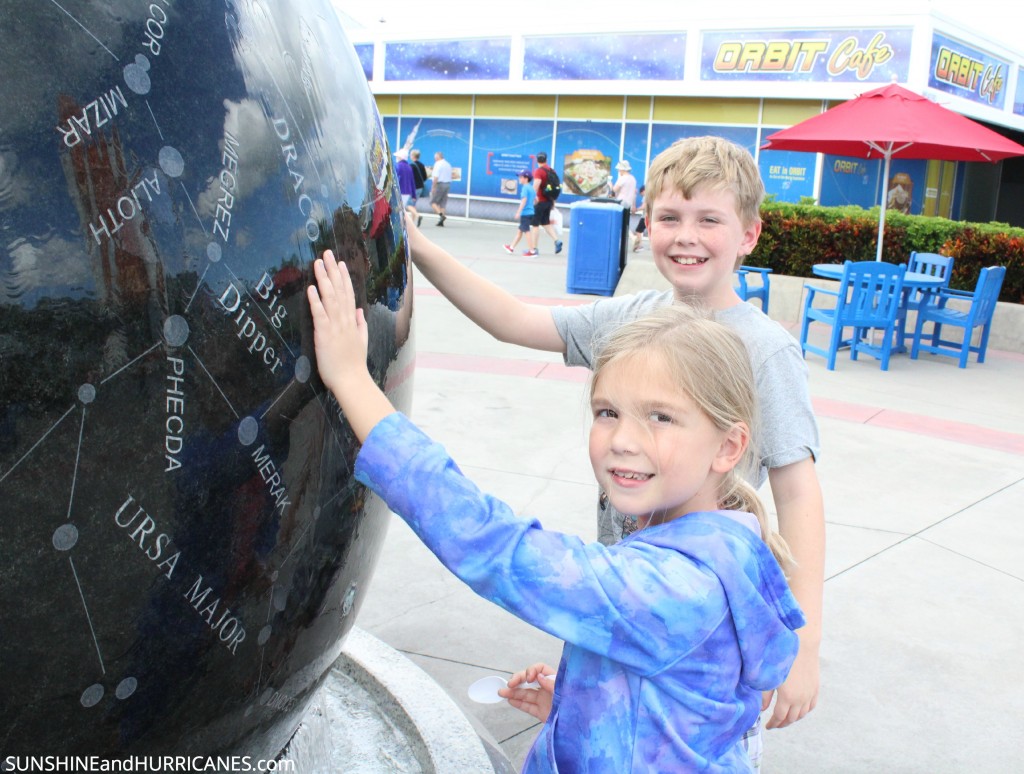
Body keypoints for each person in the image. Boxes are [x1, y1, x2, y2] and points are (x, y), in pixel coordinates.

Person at [404, 135, 824, 759]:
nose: (687, 236)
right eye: (668, 218)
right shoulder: (635, 317)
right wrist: (416, 246)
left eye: (710, 219)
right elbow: (516, 320)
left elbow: (799, 495)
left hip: (701, 637)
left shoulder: (764, 350)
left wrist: (805, 649)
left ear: (749, 235)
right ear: (644, 223)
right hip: (628, 604)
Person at [306, 258, 805, 771]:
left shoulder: (676, 587)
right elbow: (680, 717)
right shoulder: (714, 551)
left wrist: (352, 381)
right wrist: (582, 708)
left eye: (661, 417)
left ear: (728, 446)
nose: (624, 441)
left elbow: (498, 549)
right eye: (608, 412)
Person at [531, 152, 563, 254]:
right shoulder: (551, 170)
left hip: (539, 202)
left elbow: (536, 186)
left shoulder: (539, 171)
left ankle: (534, 249)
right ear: (546, 160)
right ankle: (557, 241)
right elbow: (553, 187)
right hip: (549, 201)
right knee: (545, 223)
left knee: (535, 225)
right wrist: (553, 201)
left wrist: (531, 199)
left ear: (537, 160)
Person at [504, 170, 538, 256]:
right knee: (520, 231)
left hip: (525, 213)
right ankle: (511, 247)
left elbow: (524, 200)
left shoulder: (525, 188)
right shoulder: (531, 188)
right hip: (531, 212)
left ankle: (532, 251)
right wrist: (531, 206)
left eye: (521, 177)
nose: (519, 178)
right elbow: (536, 200)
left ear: (526, 178)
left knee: (526, 231)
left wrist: (518, 212)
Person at [393, 149, 418, 223]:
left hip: (400, 190)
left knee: (397, 209)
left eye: (397, 157)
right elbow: (412, 181)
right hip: (407, 192)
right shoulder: (409, 167)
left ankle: (401, 223)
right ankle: (403, 222)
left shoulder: (398, 166)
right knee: (401, 208)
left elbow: (396, 179)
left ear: (400, 157)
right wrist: (414, 195)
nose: (397, 158)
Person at [430, 151, 452, 226]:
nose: (435, 159)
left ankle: (441, 215)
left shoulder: (438, 164)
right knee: (442, 203)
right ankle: (441, 222)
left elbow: (436, 177)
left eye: (435, 157)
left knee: (433, 202)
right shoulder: (448, 164)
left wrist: (433, 187)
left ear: (438, 157)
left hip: (440, 184)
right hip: (447, 184)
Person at [632, 184, 647, 252]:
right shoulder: (652, 196)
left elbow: (644, 206)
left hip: (645, 217)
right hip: (650, 216)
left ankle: (640, 246)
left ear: (643, 191)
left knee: (638, 231)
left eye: (641, 194)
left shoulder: (646, 196)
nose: (641, 196)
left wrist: (636, 209)